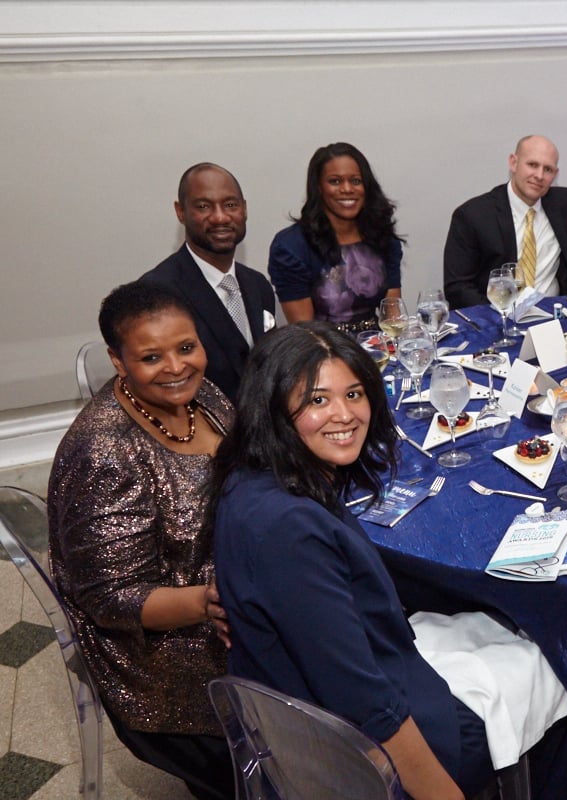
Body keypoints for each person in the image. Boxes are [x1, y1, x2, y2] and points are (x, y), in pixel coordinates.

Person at [210, 322, 567, 800]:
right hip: (363, 753)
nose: (344, 414)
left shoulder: (252, 478)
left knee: (514, 630)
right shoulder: (288, 531)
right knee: (566, 664)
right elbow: (365, 701)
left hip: (326, 706)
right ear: (273, 407)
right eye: (317, 400)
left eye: (354, 393)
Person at [47, 283, 235, 800]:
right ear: (118, 360)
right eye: (152, 356)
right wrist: (216, 601)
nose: (176, 367)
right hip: (168, 659)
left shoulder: (204, 397)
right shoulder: (105, 454)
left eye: (186, 347)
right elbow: (109, 600)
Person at [141, 162, 276, 400]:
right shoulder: (156, 294)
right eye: (204, 206)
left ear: (244, 210)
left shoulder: (258, 285)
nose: (220, 217)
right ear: (180, 212)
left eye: (230, 205)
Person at [443, 134, 567, 308]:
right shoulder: (473, 216)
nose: (539, 175)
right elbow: (458, 288)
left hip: (556, 317)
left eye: (548, 169)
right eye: (532, 165)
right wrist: (502, 315)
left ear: (555, 174)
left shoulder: (565, 203)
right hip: (498, 318)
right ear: (513, 162)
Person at [268, 142, 404, 331]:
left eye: (356, 181)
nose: (347, 189)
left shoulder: (382, 235)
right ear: (319, 187)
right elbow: (306, 333)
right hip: (323, 351)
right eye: (335, 181)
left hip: (377, 348)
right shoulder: (290, 246)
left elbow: (393, 316)